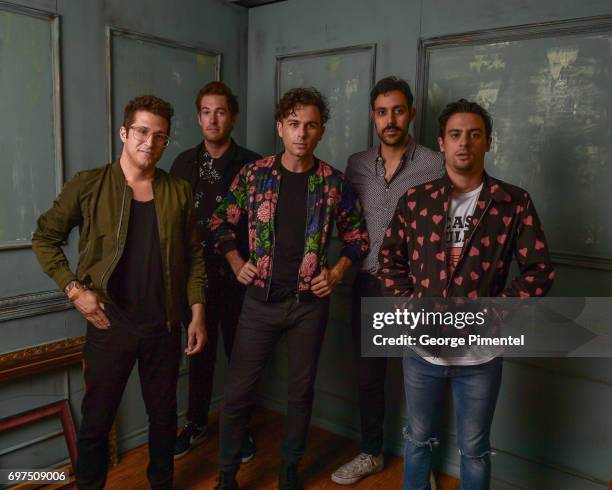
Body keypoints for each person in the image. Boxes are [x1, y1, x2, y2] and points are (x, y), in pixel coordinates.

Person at [378, 99, 555, 490]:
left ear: (488, 142)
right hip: (422, 350)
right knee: (417, 438)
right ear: (441, 143)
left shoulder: (513, 202)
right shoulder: (416, 200)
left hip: (480, 355)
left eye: (474, 135)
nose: (464, 143)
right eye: (456, 135)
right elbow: (388, 259)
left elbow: (540, 272)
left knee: (474, 449)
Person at [32, 95, 207, 490]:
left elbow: (195, 256)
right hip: (110, 322)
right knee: (96, 422)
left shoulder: (178, 191)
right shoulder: (89, 184)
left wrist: (196, 313)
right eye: (142, 132)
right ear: (125, 133)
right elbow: (44, 238)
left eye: (160, 136)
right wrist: (75, 291)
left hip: (164, 325)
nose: (150, 142)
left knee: (164, 420)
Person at [211, 87, 369, 490]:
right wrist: (235, 262)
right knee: (237, 394)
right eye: (294, 124)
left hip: (308, 306)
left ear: (320, 132)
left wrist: (336, 272)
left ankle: (288, 472)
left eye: (311, 125)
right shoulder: (254, 174)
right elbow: (219, 222)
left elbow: (358, 237)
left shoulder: (333, 183)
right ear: (280, 127)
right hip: (259, 304)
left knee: (300, 395)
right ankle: (227, 476)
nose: (302, 133)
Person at [332, 77, 443, 486]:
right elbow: (348, 226)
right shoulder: (357, 164)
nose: (390, 119)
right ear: (373, 117)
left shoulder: (435, 162)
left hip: (417, 291)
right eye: (382, 112)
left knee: (424, 381)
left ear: (411, 113)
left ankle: (421, 463)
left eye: (398, 110)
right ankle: (371, 452)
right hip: (367, 286)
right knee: (369, 379)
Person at [170, 81, 260, 461]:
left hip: (239, 278)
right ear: (198, 116)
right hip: (196, 279)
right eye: (206, 111)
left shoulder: (253, 164)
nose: (212, 119)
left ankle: (242, 429)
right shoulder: (182, 164)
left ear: (233, 117)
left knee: (241, 357)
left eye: (220, 111)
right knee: (198, 354)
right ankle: (196, 423)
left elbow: (262, 224)